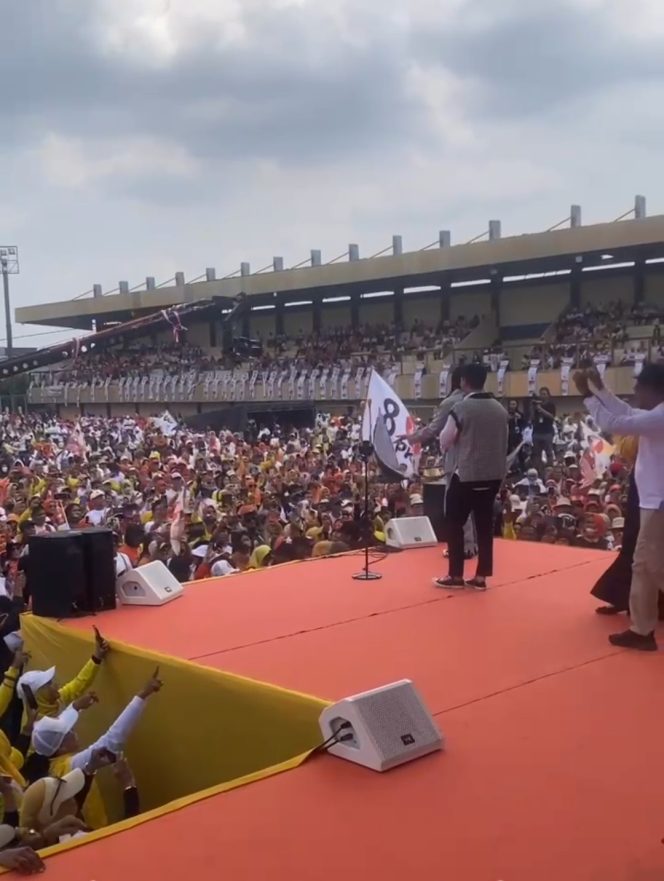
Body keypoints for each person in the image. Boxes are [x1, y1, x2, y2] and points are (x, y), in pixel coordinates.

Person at [576, 364, 664, 650]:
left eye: (640, 386)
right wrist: (598, 388)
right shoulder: (655, 415)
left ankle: (642, 630)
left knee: (650, 565)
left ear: (655, 388)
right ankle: (642, 629)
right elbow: (625, 411)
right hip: (654, 499)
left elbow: (616, 423)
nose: (636, 392)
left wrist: (588, 397)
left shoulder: (661, 416)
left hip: (659, 501)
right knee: (645, 565)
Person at [29, 668, 162, 828]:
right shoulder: (70, 766)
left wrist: (76, 707)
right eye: (68, 732)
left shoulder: (53, 764)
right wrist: (142, 695)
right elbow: (112, 740)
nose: (73, 731)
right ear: (62, 747)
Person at [434, 363, 508, 590]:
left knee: (454, 523)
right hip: (493, 476)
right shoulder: (500, 409)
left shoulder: (462, 407)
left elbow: (445, 440)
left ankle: (455, 576)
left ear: (463, 381)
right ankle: (481, 577)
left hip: (466, 474)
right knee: (485, 526)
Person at [401, 366, 477, 556]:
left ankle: (463, 546)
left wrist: (411, 438)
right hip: (479, 459)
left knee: (456, 505)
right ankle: (472, 544)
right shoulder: (484, 402)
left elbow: (433, 430)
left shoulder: (452, 402)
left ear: (459, 381)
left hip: (458, 459)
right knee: (474, 505)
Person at [530, 388, 556, 473]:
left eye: (544, 394)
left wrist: (541, 409)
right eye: (541, 394)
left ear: (548, 395)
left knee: (549, 452)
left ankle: (550, 470)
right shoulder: (536, 405)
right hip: (537, 432)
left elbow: (552, 416)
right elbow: (532, 418)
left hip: (547, 432)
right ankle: (537, 470)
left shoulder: (551, 405)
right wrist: (533, 408)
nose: (542, 396)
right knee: (536, 454)